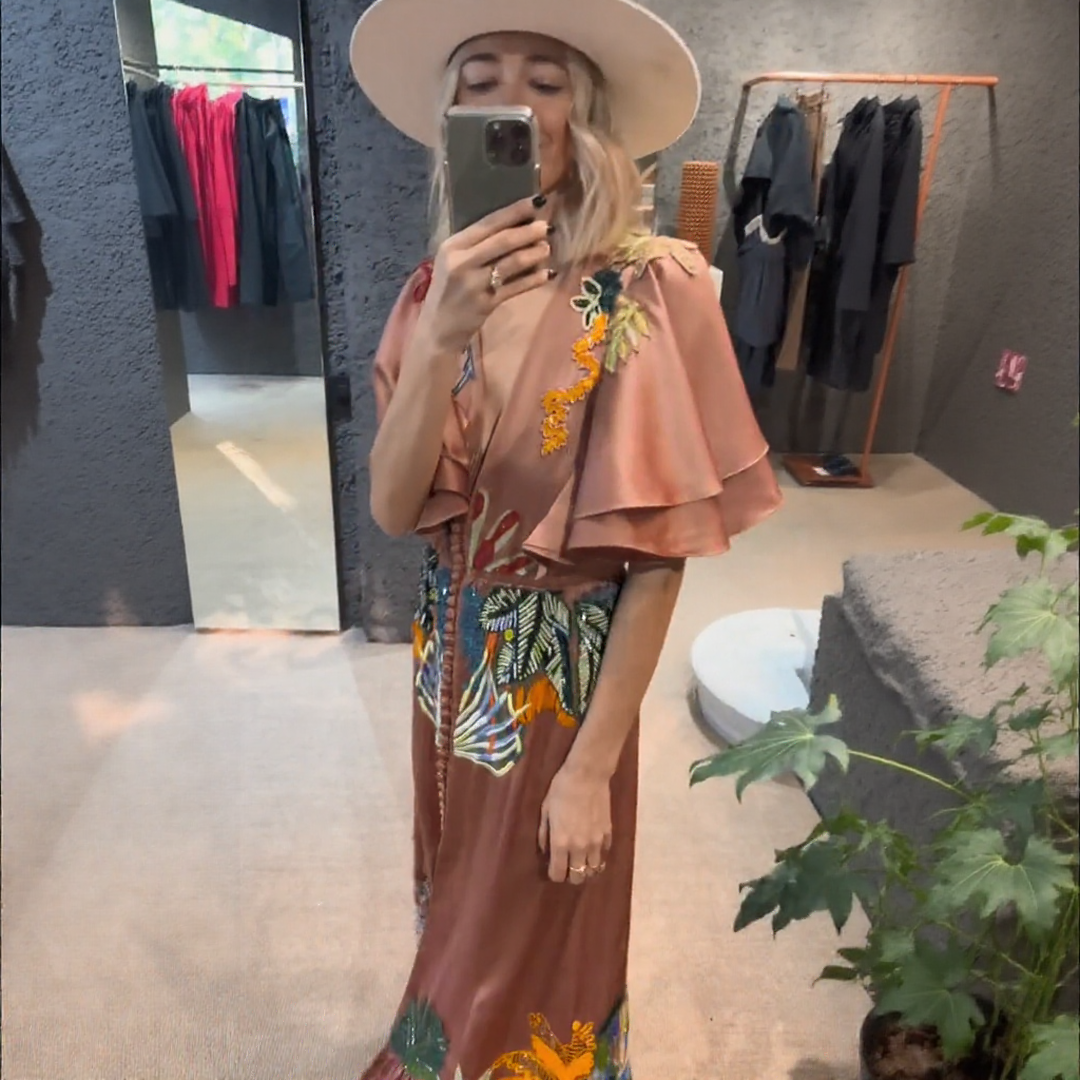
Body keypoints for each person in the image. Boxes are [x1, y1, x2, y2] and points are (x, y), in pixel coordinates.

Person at [350, 1, 782, 1076]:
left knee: (541, 924)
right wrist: (442, 334)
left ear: (583, 117)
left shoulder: (647, 291)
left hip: (560, 682)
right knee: (458, 906)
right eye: (480, 79)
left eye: (544, 82)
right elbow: (396, 512)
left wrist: (591, 770)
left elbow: (657, 561)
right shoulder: (429, 293)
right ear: (452, 116)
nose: (512, 103)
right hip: (446, 661)